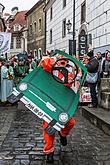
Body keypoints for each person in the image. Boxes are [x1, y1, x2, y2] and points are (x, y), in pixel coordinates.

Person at [39, 55, 76, 163]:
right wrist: (55, 59)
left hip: (61, 105)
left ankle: (63, 134)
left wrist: (69, 81)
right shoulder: (50, 69)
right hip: (49, 103)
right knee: (48, 127)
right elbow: (45, 62)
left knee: (70, 123)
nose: (63, 63)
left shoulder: (67, 73)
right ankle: (49, 152)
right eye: (61, 61)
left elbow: (69, 85)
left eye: (65, 62)